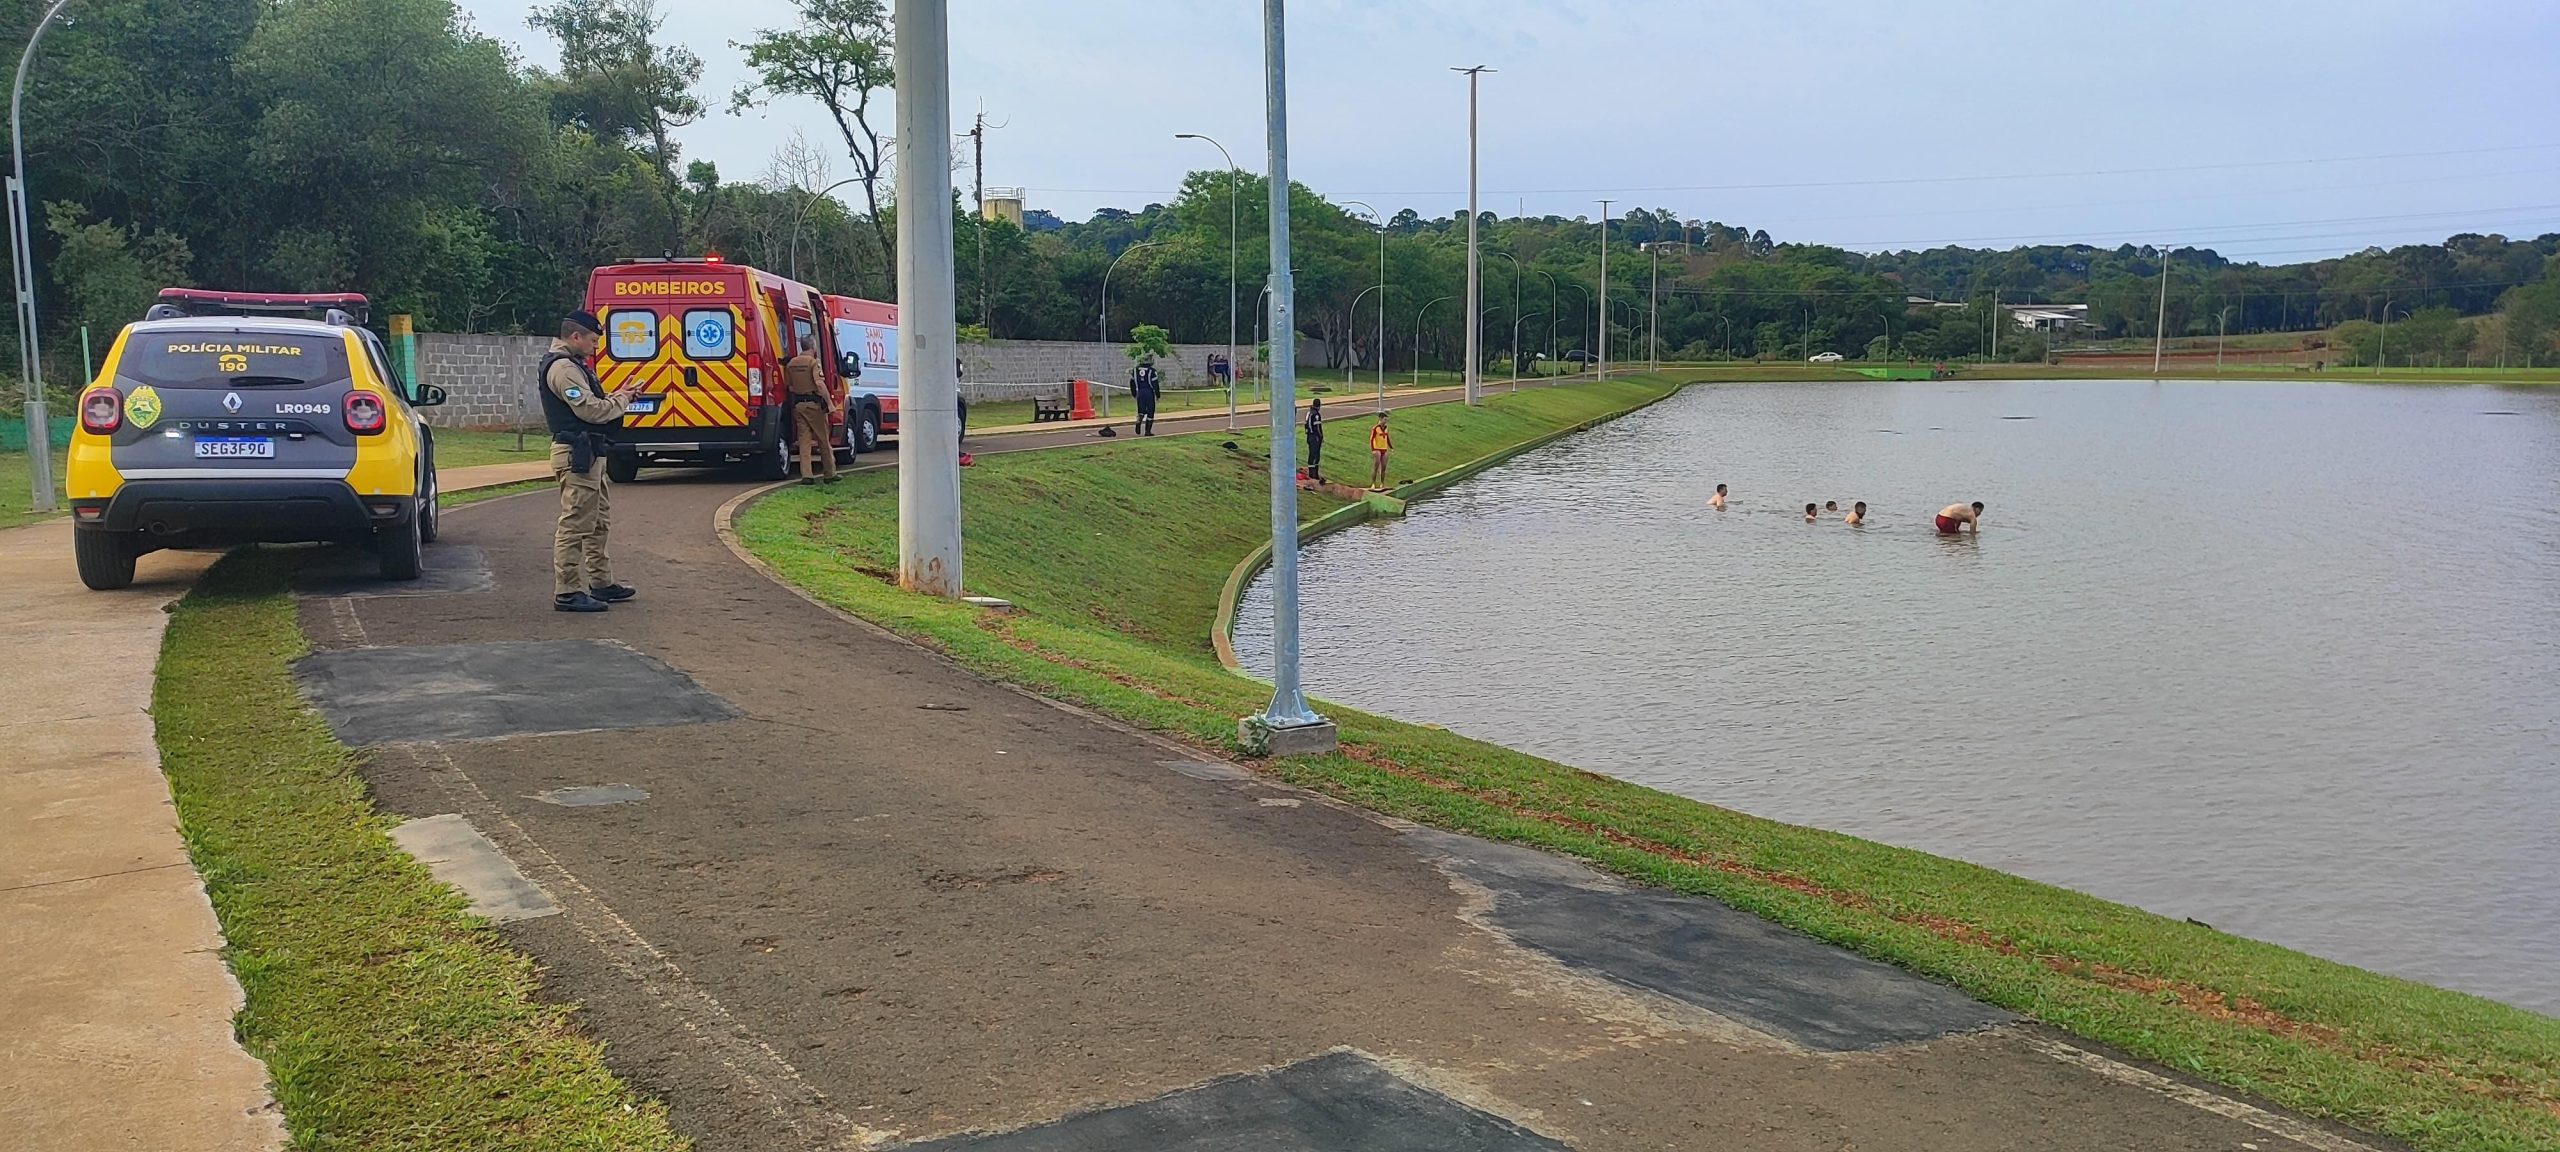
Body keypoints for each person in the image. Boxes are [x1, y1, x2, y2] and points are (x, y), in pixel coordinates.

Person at [539, 313, 645, 612]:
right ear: (576, 337)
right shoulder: (563, 369)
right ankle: (568, 590)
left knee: (597, 521)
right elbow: (591, 411)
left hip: (589, 452)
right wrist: (622, 401)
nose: (596, 347)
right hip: (577, 454)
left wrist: (621, 395)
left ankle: (601, 583)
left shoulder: (573, 366)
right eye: (593, 341)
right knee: (575, 522)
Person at [785, 344, 837, 484]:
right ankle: (829, 473)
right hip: (814, 405)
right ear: (814, 347)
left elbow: (790, 387)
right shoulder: (813, 362)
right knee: (823, 439)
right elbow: (819, 384)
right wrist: (830, 404)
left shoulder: (791, 364)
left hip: (799, 405)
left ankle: (807, 475)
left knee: (804, 440)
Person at [1130, 356, 1162, 436]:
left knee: (1141, 410)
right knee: (1150, 411)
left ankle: (1139, 421)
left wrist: (1134, 393)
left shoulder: (1135, 370)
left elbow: (1132, 382)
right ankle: (1148, 431)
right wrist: (1158, 395)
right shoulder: (1152, 371)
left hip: (1140, 392)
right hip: (1149, 392)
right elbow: (1155, 384)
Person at [1369, 411, 1392, 490]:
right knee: (1376, 466)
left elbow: (1387, 437)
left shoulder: (1386, 427)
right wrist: (1373, 449)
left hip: (1384, 449)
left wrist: (1391, 446)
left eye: (1387, 420)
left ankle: (1382, 483)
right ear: (1380, 419)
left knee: (1384, 467)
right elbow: (1371, 439)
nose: (1386, 421)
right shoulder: (1375, 428)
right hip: (1377, 448)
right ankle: (1373, 483)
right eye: (1385, 420)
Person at [1304, 397, 1325, 483]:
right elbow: (1317, 428)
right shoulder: (1316, 415)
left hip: (1309, 436)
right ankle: (1314, 474)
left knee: (1311, 454)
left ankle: (1311, 472)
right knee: (1315, 455)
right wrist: (1321, 437)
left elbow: (1306, 425)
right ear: (1319, 406)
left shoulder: (1309, 413)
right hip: (1315, 437)